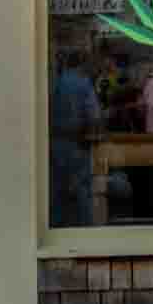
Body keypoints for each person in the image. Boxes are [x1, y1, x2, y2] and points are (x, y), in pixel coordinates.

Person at [49, 50, 102, 227]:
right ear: (81, 65)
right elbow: (94, 115)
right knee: (82, 189)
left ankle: (57, 227)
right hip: (76, 142)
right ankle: (85, 230)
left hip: (55, 141)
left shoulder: (56, 82)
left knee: (57, 190)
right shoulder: (83, 83)